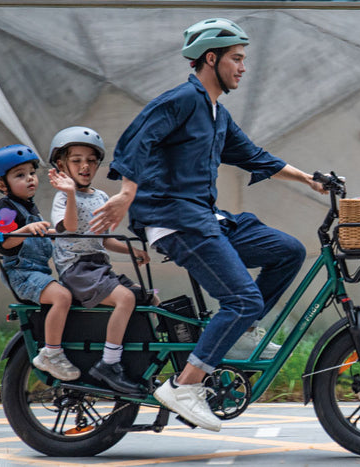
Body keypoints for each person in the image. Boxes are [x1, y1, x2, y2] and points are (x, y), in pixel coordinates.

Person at [89, 18, 326, 431]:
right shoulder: (182, 99)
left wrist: (309, 178)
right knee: (242, 299)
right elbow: (137, 139)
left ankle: (240, 332)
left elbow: (254, 155)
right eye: (236, 59)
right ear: (211, 59)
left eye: (244, 60)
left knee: (287, 251)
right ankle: (185, 384)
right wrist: (127, 193)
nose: (242, 67)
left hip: (204, 217)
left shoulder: (217, 113)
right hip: (174, 219)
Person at [48, 126, 156, 394]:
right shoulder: (62, 198)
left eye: (91, 160)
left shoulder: (101, 197)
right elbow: (70, 226)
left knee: (148, 297)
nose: (85, 166)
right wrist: (71, 193)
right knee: (126, 298)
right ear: (62, 165)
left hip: (99, 266)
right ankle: (109, 364)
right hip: (77, 270)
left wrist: (132, 251)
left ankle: (148, 357)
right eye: (76, 160)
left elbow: (104, 239)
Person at [0, 144, 80, 381]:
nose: (30, 179)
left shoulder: (29, 207)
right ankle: (52, 353)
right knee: (62, 297)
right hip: (21, 273)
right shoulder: (5, 207)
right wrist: (27, 229)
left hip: (38, 272)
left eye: (31, 173)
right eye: (20, 175)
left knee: (72, 294)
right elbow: (1, 243)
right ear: (2, 185)